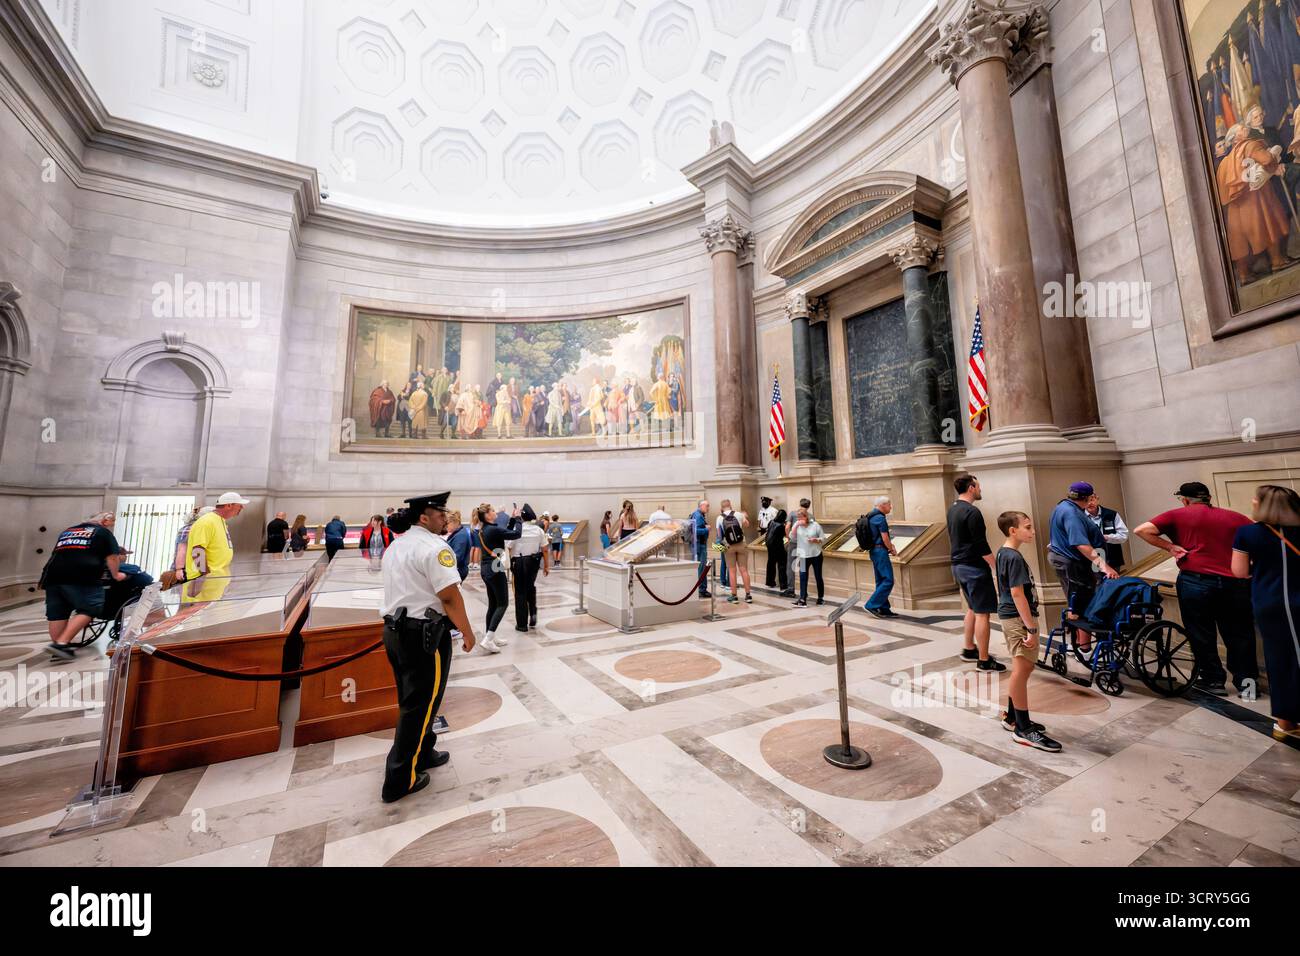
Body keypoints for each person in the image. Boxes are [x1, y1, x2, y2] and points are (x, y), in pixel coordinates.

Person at [378, 492, 476, 803]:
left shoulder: (398, 545)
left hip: (396, 631)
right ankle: (399, 778)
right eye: (439, 513)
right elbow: (449, 597)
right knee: (419, 704)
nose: (444, 518)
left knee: (421, 699)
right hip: (423, 636)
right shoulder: (435, 547)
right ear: (424, 517)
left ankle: (424, 752)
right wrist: (468, 632)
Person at [1134, 481, 1257, 697]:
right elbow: (1258, 535)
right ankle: (1247, 685)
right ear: (1208, 498)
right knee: (1240, 633)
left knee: (1201, 632)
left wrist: (1170, 547)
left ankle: (1213, 680)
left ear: (1184, 500)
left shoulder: (1176, 515)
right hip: (1234, 583)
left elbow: (1142, 530)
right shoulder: (1234, 517)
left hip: (1196, 582)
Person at [1232, 485, 1300, 740]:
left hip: (1272, 602)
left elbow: (1239, 572)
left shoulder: (1248, 533)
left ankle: (1286, 723)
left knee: (1281, 659)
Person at [995, 511, 1061, 752]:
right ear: (1013, 530)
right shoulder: (1012, 556)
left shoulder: (1005, 552)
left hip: (1013, 615)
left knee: (1022, 667)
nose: (1032, 531)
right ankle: (1022, 729)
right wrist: (1031, 628)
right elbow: (1017, 593)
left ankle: (1013, 718)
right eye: (1027, 527)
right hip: (1017, 617)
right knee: (1022, 669)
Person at [41, 514, 128, 660]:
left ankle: (59, 645)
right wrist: (116, 574)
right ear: (104, 521)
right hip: (82, 575)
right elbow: (112, 557)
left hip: (53, 575)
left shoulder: (68, 531)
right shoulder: (103, 532)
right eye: (111, 522)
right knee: (91, 607)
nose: (111, 525)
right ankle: (61, 644)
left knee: (58, 612)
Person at [1047, 481, 1118, 652]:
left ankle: (1079, 645)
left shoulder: (1063, 506)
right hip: (1075, 563)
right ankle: (1084, 649)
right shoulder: (1072, 514)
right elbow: (1081, 544)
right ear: (1088, 497)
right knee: (1083, 603)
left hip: (1076, 561)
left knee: (1078, 601)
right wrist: (1105, 567)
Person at [947, 475, 1005, 672]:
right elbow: (981, 544)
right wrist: (997, 566)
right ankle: (983, 659)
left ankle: (969, 648)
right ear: (971, 488)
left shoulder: (953, 508)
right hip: (973, 568)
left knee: (972, 608)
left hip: (958, 565)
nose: (980, 489)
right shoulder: (972, 512)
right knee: (983, 614)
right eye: (978, 486)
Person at [179, 492, 249, 603]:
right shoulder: (207, 522)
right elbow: (198, 551)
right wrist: (200, 578)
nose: (242, 507)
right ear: (229, 505)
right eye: (239, 505)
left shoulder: (220, 521)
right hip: (205, 582)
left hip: (216, 580)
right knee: (198, 617)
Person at [476, 502, 521, 653]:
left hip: (486, 568)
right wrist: (519, 519)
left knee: (493, 604)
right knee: (502, 604)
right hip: (495, 568)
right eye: (493, 511)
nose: (495, 512)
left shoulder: (485, 529)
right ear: (487, 515)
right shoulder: (493, 529)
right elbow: (516, 534)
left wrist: (513, 520)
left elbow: (506, 531)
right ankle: (488, 639)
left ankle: (491, 636)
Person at [509, 504, 549, 631]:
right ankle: (533, 613)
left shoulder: (517, 529)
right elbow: (545, 549)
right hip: (533, 562)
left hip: (519, 562)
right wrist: (546, 566)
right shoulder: (538, 530)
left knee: (520, 592)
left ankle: (521, 625)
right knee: (530, 587)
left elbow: (509, 546)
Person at [859, 496, 899, 618]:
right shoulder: (880, 518)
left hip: (873, 551)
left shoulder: (870, 516)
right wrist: (891, 549)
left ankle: (883, 607)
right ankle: (871, 605)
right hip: (880, 550)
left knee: (881, 580)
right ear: (882, 505)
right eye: (889, 504)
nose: (890, 507)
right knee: (888, 580)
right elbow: (885, 537)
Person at [716, 499, 752, 603]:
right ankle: (748, 595)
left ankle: (734, 596)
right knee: (744, 570)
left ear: (721, 508)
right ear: (730, 506)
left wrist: (719, 546)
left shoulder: (719, 517)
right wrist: (744, 516)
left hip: (729, 546)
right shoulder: (739, 514)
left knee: (732, 571)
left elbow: (719, 535)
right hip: (741, 544)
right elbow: (747, 525)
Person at [1084, 493, 1129, 572]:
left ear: (1097, 499)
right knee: (1096, 583)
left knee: (1113, 582)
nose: (1089, 503)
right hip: (1090, 560)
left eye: (1092, 499)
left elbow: (1123, 535)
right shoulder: (1079, 517)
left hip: (1112, 559)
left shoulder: (1111, 514)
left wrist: (1107, 537)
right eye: (1086, 501)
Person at [791, 507, 825, 607]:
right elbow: (792, 538)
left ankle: (820, 598)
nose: (799, 520)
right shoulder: (797, 526)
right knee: (802, 576)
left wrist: (816, 540)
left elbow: (823, 538)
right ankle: (802, 599)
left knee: (818, 576)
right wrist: (795, 526)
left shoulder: (815, 525)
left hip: (816, 554)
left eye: (801, 518)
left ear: (806, 517)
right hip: (803, 555)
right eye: (798, 518)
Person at [688, 499, 711, 598]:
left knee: (700, 568)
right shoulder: (698, 515)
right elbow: (695, 530)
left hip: (698, 545)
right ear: (701, 506)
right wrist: (706, 529)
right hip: (699, 546)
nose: (708, 508)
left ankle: (701, 588)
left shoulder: (697, 514)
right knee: (702, 568)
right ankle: (702, 589)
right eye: (707, 506)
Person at [765, 508, 788, 593]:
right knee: (782, 564)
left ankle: (770, 582)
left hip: (769, 545)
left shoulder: (771, 522)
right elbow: (786, 535)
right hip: (778, 546)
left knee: (771, 563)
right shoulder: (781, 526)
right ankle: (783, 584)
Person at [445, 510, 471, 581]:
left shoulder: (461, 536)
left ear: (455, 522)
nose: (445, 526)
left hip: (458, 571)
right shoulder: (459, 532)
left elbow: (457, 557)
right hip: (458, 570)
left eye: (447, 523)